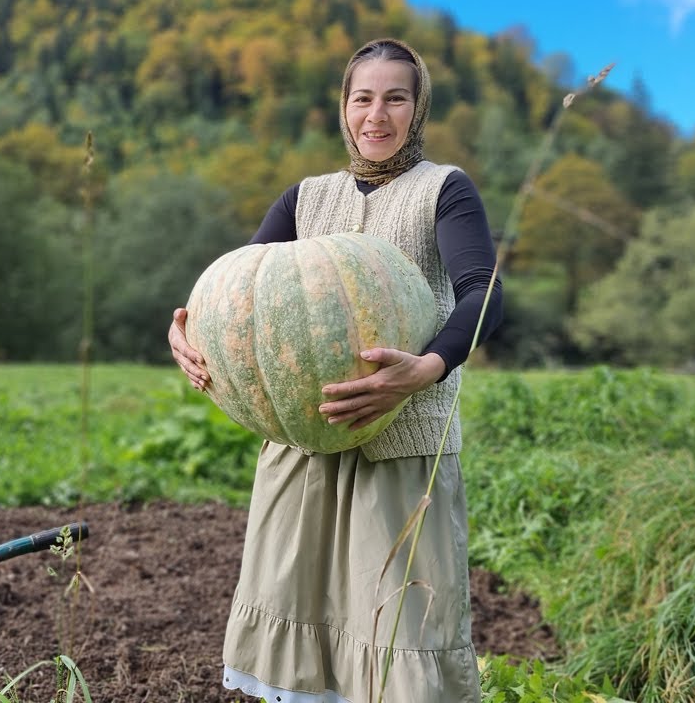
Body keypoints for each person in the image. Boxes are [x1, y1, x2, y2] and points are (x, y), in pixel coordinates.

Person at [167, 38, 504, 703]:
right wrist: (182, 334)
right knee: (300, 629)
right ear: (344, 108)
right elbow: (234, 298)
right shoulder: (305, 198)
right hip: (301, 445)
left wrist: (428, 367)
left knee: (398, 627)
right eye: (363, 98)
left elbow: (483, 291)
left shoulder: (443, 189)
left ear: (419, 106)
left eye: (395, 98)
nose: (377, 115)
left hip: (399, 445)